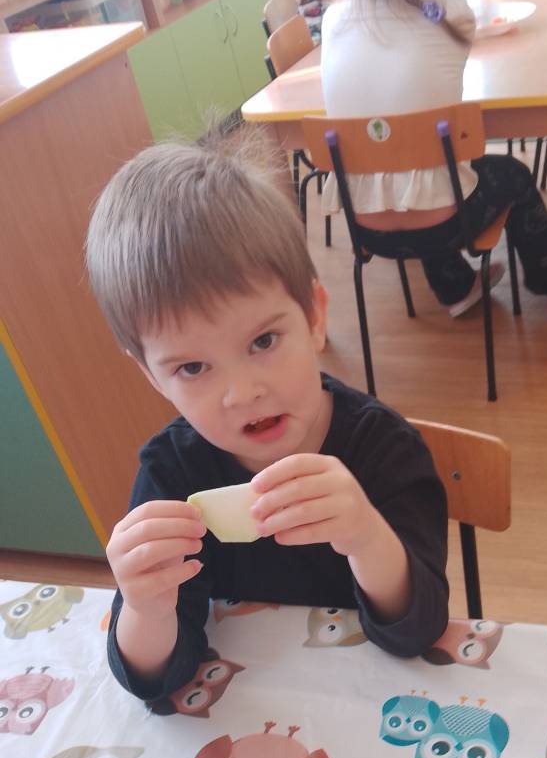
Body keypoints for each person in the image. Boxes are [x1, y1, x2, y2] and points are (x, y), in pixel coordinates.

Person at [85, 125, 449, 703]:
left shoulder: (384, 448)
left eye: (262, 341)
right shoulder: (172, 475)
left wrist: (365, 535)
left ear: (314, 317)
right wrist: (145, 605)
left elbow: (420, 628)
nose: (242, 393)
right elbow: (155, 678)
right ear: (153, 377)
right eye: (193, 368)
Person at [320, 0, 547, 322]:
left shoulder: (333, 19)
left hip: (367, 230)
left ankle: (456, 287)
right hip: (448, 224)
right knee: (508, 175)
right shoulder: (449, 14)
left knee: (421, 172)